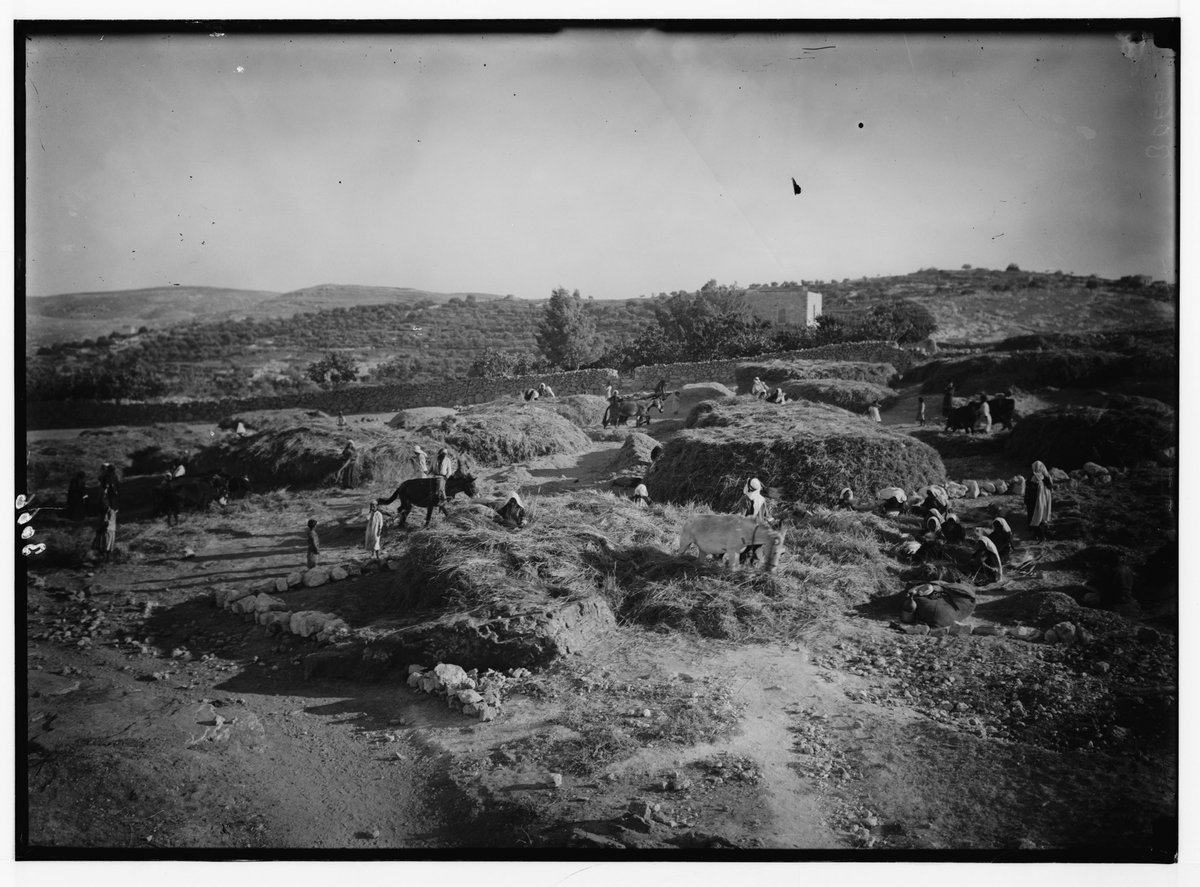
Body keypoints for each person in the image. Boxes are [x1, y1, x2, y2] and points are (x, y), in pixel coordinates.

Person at [1025, 461, 1054, 542]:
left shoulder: (1033, 477)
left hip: (1034, 500)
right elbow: (1050, 487)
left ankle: (1038, 535)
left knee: (1034, 516)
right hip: (1044, 501)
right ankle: (1039, 534)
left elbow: (1029, 487)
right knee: (1041, 517)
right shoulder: (1047, 476)